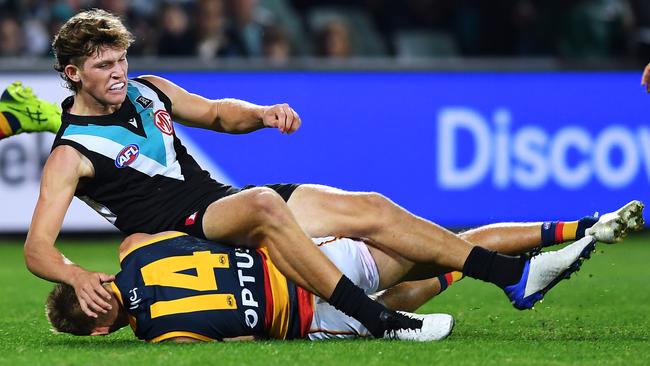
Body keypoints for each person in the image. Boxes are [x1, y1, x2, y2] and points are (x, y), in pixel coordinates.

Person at [20, 8, 646, 341]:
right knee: (265, 204)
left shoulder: (151, 90)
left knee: (370, 210)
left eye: (122, 58)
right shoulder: (69, 152)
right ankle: (378, 323)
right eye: (104, 64)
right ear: (73, 73)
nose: (118, 71)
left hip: (222, 204)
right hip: (185, 232)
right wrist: (75, 274)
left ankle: (511, 278)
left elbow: (213, 114)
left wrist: (261, 115)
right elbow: (37, 246)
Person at [46, 230, 600, 342]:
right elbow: (192, 230)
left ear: (98, 330)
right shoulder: (136, 251)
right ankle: (571, 230)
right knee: (441, 241)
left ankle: (465, 273)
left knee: (404, 295)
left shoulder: (161, 337)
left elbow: (239, 343)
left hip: (309, 318)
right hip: (306, 263)